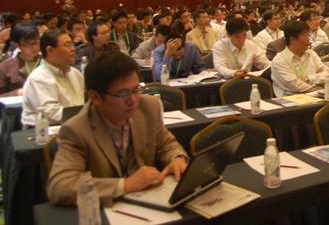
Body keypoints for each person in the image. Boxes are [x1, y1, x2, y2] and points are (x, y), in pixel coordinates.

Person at [47, 51, 188, 206]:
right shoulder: (77, 130)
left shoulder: (148, 107)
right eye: (123, 94)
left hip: (151, 197)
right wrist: (124, 185)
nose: (133, 100)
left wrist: (177, 159)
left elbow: (166, 144)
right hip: (111, 207)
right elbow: (60, 187)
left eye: (135, 90)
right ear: (95, 97)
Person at [22, 30, 85, 126]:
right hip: (43, 130)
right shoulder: (39, 78)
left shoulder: (75, 73)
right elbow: (52, 114)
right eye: (67, 45)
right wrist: (85, 116)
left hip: (74, 124)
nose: (73, 49)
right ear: (50, 50)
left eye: (72, 44)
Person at [271, 21, 329, 97]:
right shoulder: (280, 60)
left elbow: (328, 75)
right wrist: (317, 87)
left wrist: (308, 78)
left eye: (308, 34)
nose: (308, 39)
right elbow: (294, 85)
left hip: (316, 96)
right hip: (291, 100)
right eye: (304, 35)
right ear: (292, 39)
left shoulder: (311, 53)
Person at [0, 23, 41, 96]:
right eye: (27, 43)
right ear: (17, 45)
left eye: (36, 42)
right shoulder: (5, 68)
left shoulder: (48, 62)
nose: (34, 47)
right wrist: (16, 93)